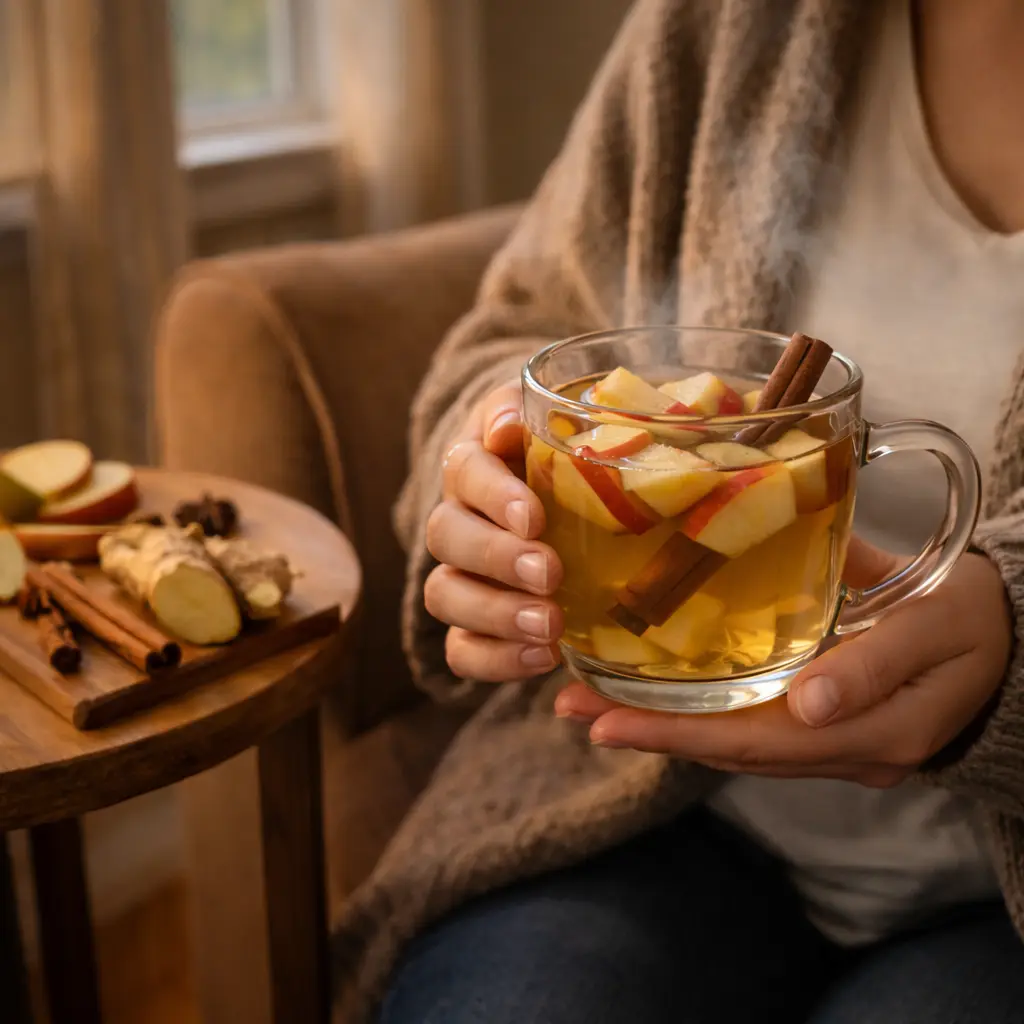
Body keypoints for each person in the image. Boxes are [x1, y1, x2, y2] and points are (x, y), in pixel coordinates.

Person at [332, 1, 1024, 1021]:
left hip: (987, 903)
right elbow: (519, 335)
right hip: (641, 807)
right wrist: (489, 473)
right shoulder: (724, 23)